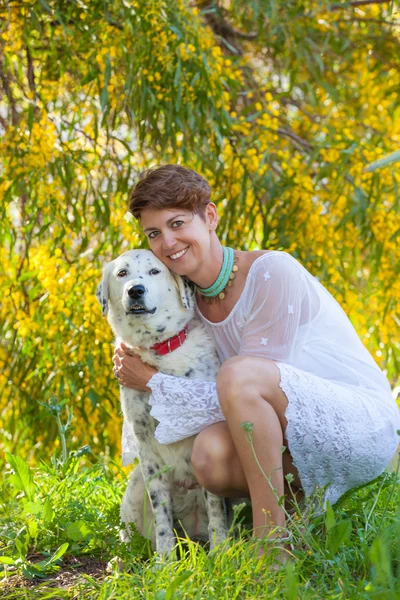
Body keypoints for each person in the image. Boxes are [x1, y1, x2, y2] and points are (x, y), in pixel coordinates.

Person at [112, 164, 400, 551]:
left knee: (238, 375)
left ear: (210, 217)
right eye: (154, 233)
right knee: (208, 454)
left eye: (177, 223)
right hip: (285, 431)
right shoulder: (185, 300)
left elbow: (246, 389)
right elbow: (238, 410)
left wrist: (151, 382)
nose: (167, 242)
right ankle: (297, 507)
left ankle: (271, 545)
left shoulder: (271, 272)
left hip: (353, 424)